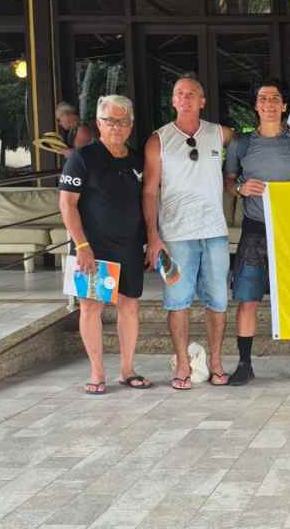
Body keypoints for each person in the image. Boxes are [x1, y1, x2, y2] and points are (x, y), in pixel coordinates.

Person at [224, 78, 290, 386]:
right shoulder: (240, 144)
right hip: (254, 228)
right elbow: (229, 181)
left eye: (275, 98)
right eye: (263, 99)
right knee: (247, 298)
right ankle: (244, 364)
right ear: (255, 105)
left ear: (284, 105)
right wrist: (240, 188)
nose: (269, 104)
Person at [143, 74, 234, 390]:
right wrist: (153, 236)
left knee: (218, 301)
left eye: (191, 93)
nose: (185, 98)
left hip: (214, 233)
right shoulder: (158, 140)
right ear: (173, 100)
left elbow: (256, 142)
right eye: (179, 93)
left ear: (202, 101)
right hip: (175, 236)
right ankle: (182, 363)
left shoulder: (219, 133)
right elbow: (149, 192)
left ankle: (216, 362)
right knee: (177, 301)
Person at [58, 95, 150, 394]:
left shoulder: (138, 159)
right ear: (99, 123)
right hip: (92, 247)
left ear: (131, 125)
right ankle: (97, 373)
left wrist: (151, 240)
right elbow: (67, 205)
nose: (116, 127)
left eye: (122, 121)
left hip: (131, 245)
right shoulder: (82, 158)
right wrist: (82, 246)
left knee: (129, 306)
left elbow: (148, 200)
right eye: (110, 121)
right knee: (91, 307)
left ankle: (127, 370)